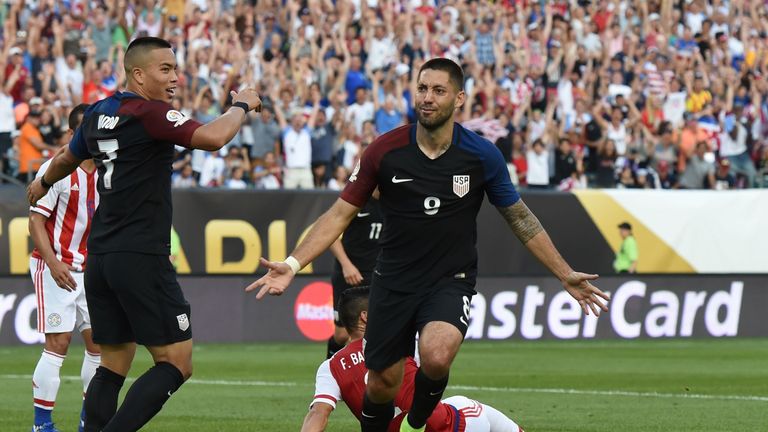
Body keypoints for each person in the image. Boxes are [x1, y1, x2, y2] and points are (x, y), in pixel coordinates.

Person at [248, 58, 609, 432]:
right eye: (422, 88)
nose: (428, 98)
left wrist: (564, 274)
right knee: (383, 382)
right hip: (393, 281)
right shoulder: (383, 151)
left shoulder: (482, 155)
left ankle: (413, 426)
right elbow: (338, 215)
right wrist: (292, 264)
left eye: (439, 90)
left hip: (450, 278)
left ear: (459, 98)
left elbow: (520, 217)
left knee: (436, 357)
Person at [27, 36, 262, 432]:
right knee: (176, 363)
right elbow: (213, 138)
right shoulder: (150, 113)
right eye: (165, 69)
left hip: (100, 259)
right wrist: (242, 104)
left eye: (175, 68)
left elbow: (68, 157)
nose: (175, 77)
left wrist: (42, 183)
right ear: (139, 74)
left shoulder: (99, 112)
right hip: (140, 255)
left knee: (113, 364)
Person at [302, 287, 524, 432]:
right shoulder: (400, 339)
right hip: (445, 426)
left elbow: (318, 414)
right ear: (365, 316)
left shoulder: (330, 367)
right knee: (466, 405)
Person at [28, 104, 98, 432]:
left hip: (91, 270)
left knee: (100, 345)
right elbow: (36, 221)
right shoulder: (56, 168)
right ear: (72, 134)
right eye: (85, 129)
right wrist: (54, 263)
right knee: (58, 344)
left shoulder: (108, 171)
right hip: (54, 266)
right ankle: (42, 425)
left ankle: (89, 419)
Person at [325, 187, 383, 359]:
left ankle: (368, 375)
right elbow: (330, 235)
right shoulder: (356, 200)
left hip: (378, 274)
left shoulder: (394, 203)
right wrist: (346, 265)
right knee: (342, 335)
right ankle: (331, 370)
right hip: (348, 274)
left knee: (375, 331)